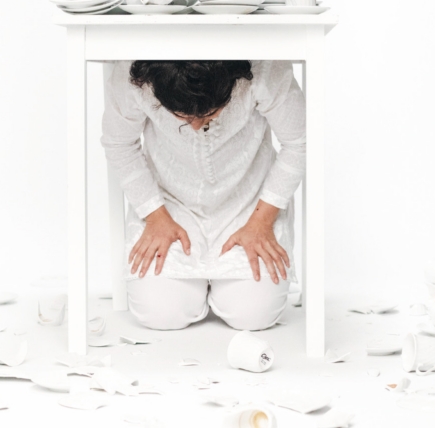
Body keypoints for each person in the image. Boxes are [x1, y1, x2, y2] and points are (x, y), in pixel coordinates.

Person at [101, 60, 306, 331]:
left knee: (253, 315)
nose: (197, 126)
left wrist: (262, 221)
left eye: (210, 113)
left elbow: (300, 142)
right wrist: (154, 214)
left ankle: (221, 281)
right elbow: (119, 143)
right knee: (161, 314)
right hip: (169, 205)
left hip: (250, 205)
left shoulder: (264, 67)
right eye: (182, 117)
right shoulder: (132, 73)